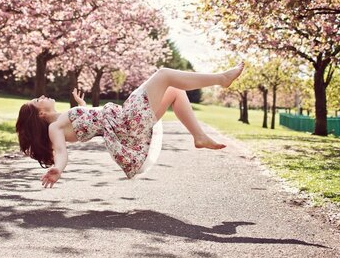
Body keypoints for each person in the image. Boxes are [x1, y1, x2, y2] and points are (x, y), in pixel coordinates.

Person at [15, 63, 245, 188]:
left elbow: (87, 122)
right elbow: (62, 151)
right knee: (164, 75)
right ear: (41, 112)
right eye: (38, 100)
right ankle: (221, 79)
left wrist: (82, 105)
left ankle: (199, 136)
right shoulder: (55, 129)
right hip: (126, 120)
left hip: (128, 123)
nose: (42, 96)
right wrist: (58, 169)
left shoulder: (63, 119)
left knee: (175, 90)